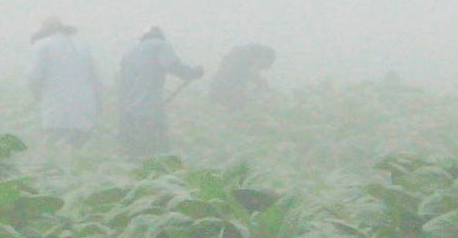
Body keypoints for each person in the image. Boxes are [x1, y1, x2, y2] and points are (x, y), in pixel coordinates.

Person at [115, 26, 203, 157]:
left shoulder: (131, 52)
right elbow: (172, 65)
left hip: (128, 114)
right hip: (150, 111)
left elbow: (122, 83)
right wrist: (191, 73)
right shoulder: (160, 45)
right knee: (157, 154)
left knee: (132, 155)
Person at [25, 16, 104, 148]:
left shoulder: (42, 45)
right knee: (80, 154)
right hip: (85, 113)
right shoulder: (83, 47)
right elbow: (98, 78)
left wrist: (37, 96)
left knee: (59, 154)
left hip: (57, 113)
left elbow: (33, 77)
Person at [207, 44, 277, 110]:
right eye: (262, 66)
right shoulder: (238, 63)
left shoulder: (246, 58)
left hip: (224, 87)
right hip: (223, 89)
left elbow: (254, 75)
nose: (262, 69)